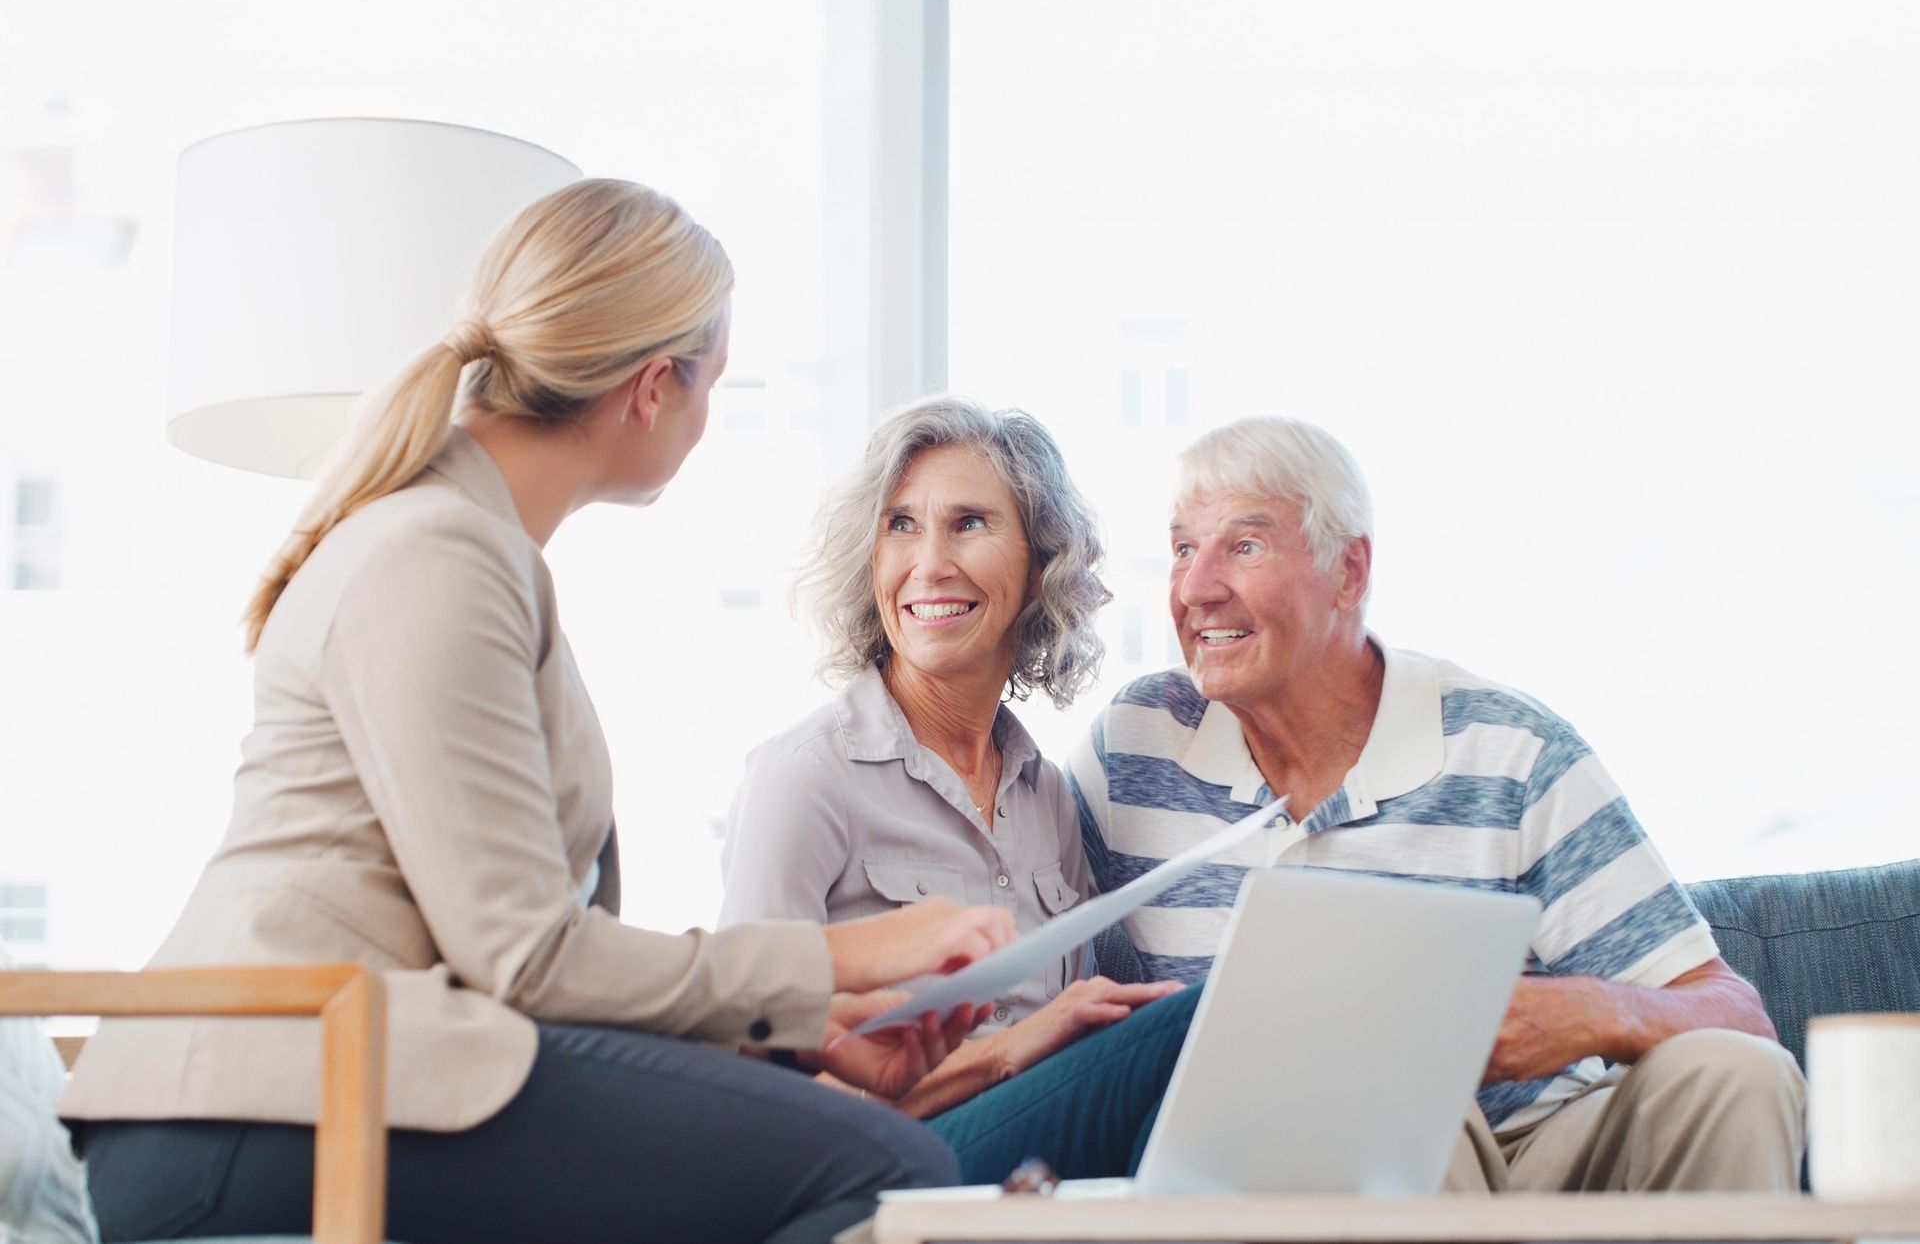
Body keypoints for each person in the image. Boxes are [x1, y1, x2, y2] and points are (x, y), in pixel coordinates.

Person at [60, 180, 1019, 1244]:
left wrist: (787, 1036)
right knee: (894, 1170)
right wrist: (848, 955)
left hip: (317, 1086)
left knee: (863, 1160)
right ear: (655, 388)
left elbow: (513, 953)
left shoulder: (459, 545)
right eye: (716, 388)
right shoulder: (438, 551)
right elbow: (525, 954)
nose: (708, 421)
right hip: (252, 1111)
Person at [1069, 415, 1807, 1193]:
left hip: (1545, 1150)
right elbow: (1006, 876)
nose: (1194, 589)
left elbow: (1735, 1012)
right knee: (1364, 1091)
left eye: (1243, 547)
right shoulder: (1138, 746)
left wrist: (1583, 1013)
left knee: (1738, 1074)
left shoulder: (1507, 748)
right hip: (1312, 1160)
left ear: (1348, 572)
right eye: (1184, 549)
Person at [720, 397, 1191, 1182]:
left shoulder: (1047, 795)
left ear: (1040, 565)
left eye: (968, 523)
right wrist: (1007, 1052)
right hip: (882, 1172)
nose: (928, 563)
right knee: (1186, 1030)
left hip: (1034, 1178)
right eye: (901, 525)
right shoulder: (804, 776)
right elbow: (747, 1090)